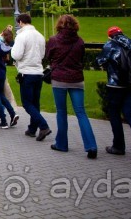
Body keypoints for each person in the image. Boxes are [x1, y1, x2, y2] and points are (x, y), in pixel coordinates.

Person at [96, 26, 131, 161]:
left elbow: (99, 61)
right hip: (130, 84)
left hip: (115, 85)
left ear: (110, 36)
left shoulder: (109, 45)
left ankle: (118, 146)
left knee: (114, 115)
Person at [47, 14, 97, 159]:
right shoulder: (79, 41)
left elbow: (48, 55)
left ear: (59, 25)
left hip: (59, 79)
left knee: (61, 112)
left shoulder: (54, 40)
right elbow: (81, 57)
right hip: (76, 79)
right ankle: (91, 145)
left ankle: (61, 144)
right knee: (81, 112)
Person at [12, 13, 52, 141]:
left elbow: (16, 55)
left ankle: (44, 126)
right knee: (35, 102)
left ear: (20, 22)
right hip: (38, 72)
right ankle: (32, 129)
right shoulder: (40, 35)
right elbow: (42, 54)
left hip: (26, 72)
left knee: (27, 103)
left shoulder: (21, 36)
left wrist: (12, 51)